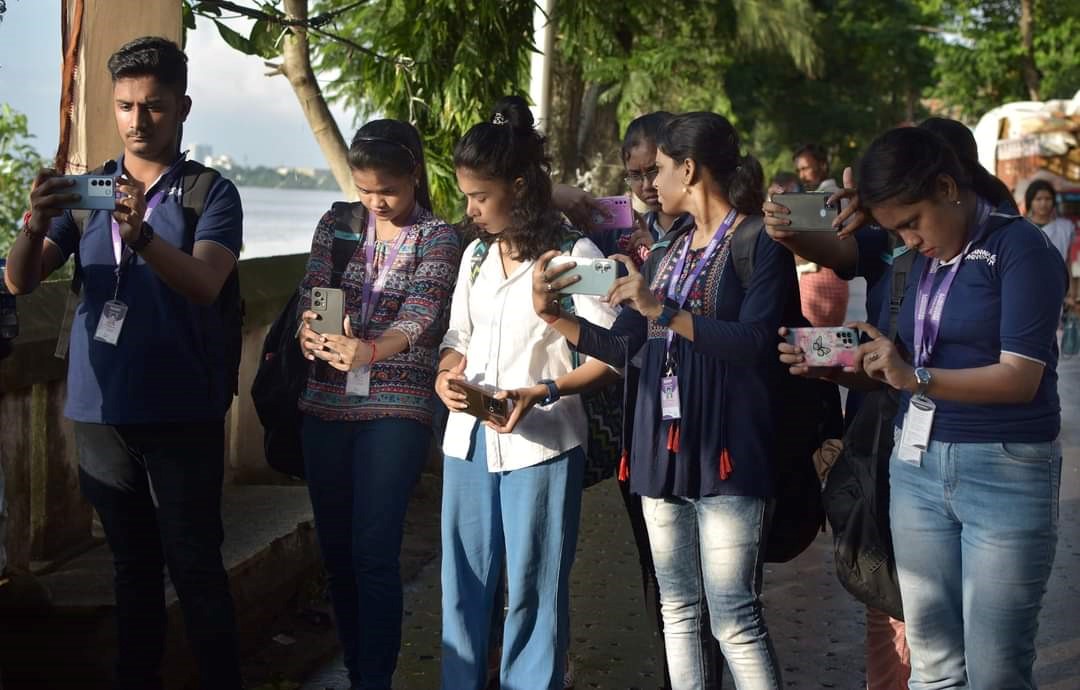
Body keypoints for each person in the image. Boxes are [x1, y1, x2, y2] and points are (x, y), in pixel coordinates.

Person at [4, 37, 244, 689]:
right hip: (99, 411)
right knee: (131, 568)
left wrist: (139, 235)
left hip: (183, 411)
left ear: (183, 107)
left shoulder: (208, 193)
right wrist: (32, 224)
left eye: (155, 106)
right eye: (126, 106)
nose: (139, 120)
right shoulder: (91, 192)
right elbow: (21, 282)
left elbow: (205, 283)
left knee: (194, 564)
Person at [536, 112, 789, 689]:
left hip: (727, 449)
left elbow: (756, 344)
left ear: (690, 169)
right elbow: (625, 345)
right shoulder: (666, 250)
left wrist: (663, 311)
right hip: (659, 446)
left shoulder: (758, 242)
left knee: (735, 618)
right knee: (677, 611)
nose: (652, 184)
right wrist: (556, 318)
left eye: (662, 170)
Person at [848, 126, 1064, 689]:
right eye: (896, 230)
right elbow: (925, 350)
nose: (909, 241)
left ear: (948, 187)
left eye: (912, 222)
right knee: (934, 668)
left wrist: (914, 376)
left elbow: (1021, 378)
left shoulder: (1021, 249)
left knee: (995, 672)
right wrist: (878, 357)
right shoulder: (926, 256)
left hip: (1005, 471)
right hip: (917, 469)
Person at [436, 95, 619, 690]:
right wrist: (446, 373)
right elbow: (457, 335)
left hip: (539, 446)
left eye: (480, 197)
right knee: (462, 589)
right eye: (466, 196)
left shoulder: (574, 257)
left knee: (534, 592)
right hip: (466, 442)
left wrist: (542, 390)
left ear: (518, 186)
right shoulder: (473, 256)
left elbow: (612, 355)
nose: (470, 210)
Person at [295, 120, 460, 689]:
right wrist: (310, 335)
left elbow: (423, 317)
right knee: (337, 552)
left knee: (374, 550)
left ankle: (375, 678)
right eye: (365, 190)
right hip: (324, 404)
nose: (376, 202)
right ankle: (355, 664)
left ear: (414, 173)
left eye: (386, 190)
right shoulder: (337, 224)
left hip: (397, 407)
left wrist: (367, 350)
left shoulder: (437, 237)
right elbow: (313, 292)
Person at [790, 144, 848, 326]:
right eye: (799, 170)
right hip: (834, 281)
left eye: (805, 168)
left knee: (814, 344)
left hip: (819, 280)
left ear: (822, 165)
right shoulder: (836, 194)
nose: (802, 176)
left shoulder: (826, 197)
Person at [1025, 179, 1073, 263]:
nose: (1043, 203)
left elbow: (1068, 261)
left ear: (1053, 201)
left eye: (1048, 199)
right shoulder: (1022, 226)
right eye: (1038, 199)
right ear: (1030, 202)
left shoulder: (1065, 227)